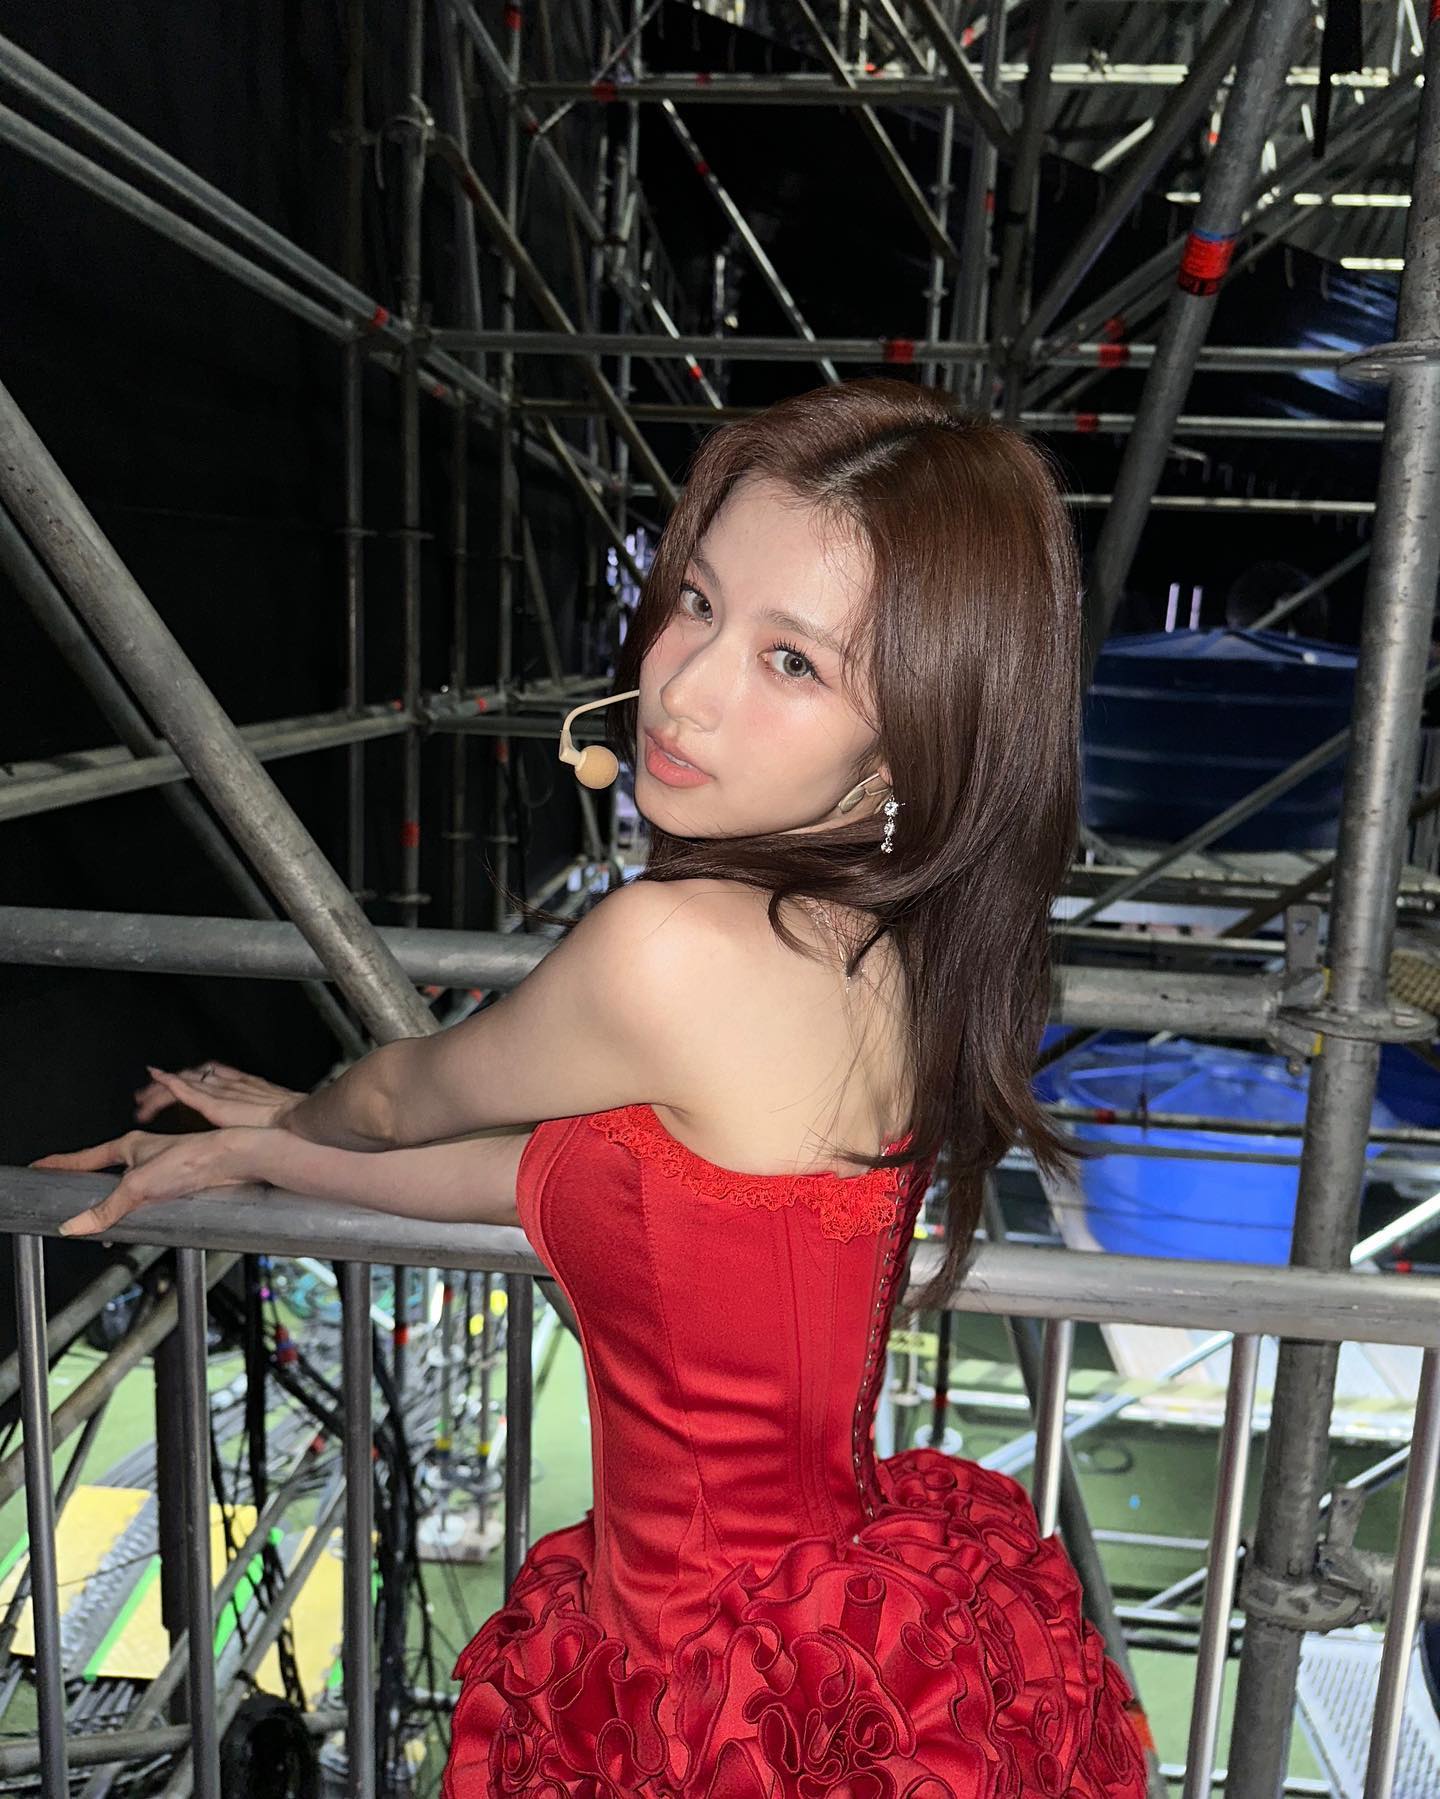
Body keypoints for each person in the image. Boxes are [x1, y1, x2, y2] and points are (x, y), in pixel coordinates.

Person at [35, 380, 1151, 1794]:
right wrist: (265, 1154)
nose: (681, 689)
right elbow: (575, 1185)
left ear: (908, 743)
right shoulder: (896, 948)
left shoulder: (670, 952)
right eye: (696, 602)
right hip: (842, 1635)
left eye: (792, 662)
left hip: (701, 1687)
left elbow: (395, 1099)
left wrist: (300, 1120)